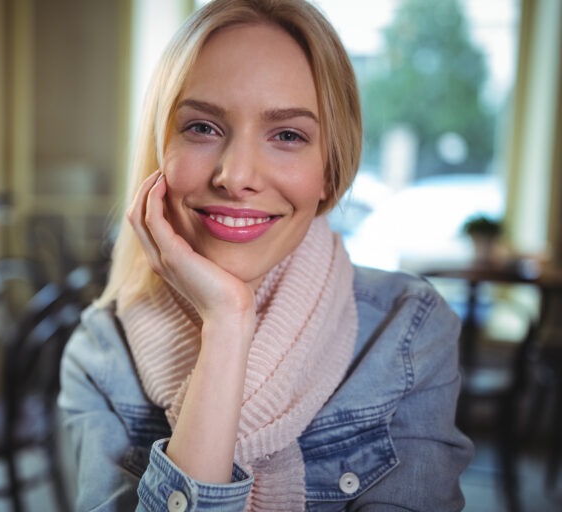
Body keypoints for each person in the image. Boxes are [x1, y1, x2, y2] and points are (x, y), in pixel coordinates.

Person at [57, 0, 474, 510]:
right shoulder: (100, 354)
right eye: (203, 128)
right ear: (159, 152)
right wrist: (228, 325)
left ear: (329, 171)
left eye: (287, 135)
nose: (236, 175)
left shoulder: (409, 332)